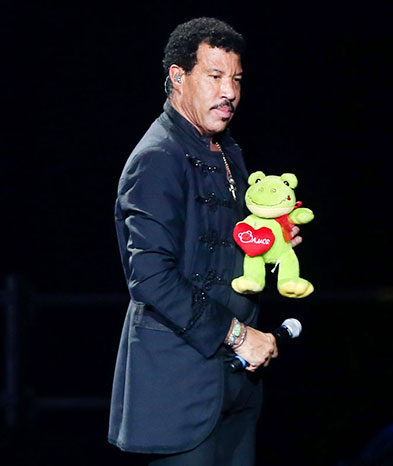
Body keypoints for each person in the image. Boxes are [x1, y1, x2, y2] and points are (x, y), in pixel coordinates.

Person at [109, 17, 296, 465]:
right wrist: (237, 335)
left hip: (236, 383)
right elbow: (151, 279)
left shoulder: (226, 148)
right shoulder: (157, 159)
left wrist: (272, 240)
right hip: (180, 388)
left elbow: (221, 244)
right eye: (214, 76)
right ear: (178, 77)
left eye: (235, 79)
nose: (229, 91)